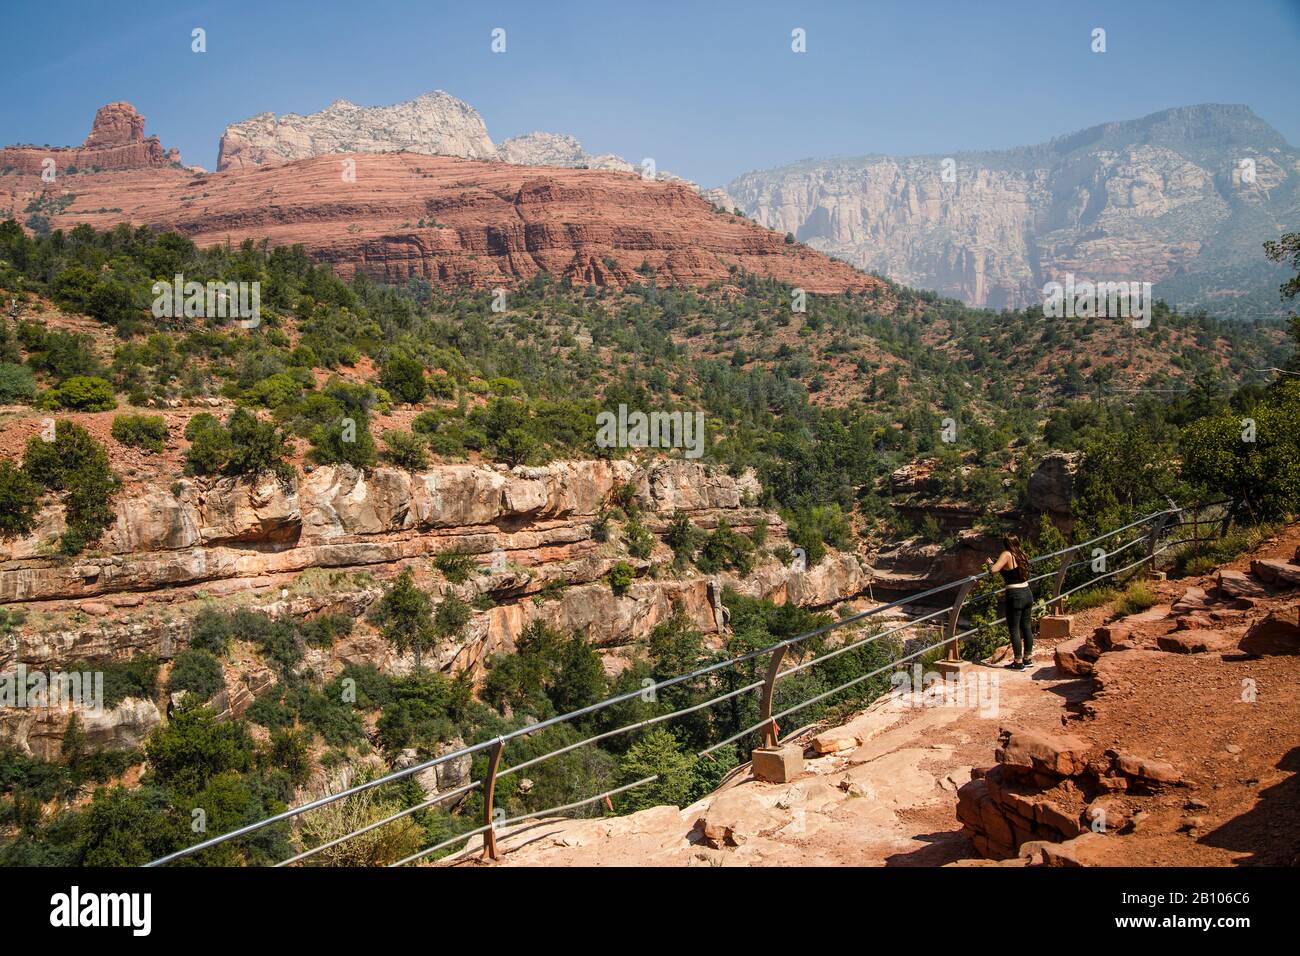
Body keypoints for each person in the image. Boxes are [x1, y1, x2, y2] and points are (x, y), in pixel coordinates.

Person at [985, 534, 1034, 670]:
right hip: (1027, 592)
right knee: (1026, 626)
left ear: (1006, 544)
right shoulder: (1021, 554)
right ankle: (1028, 658)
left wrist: (990, 564)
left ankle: (1018, 662)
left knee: (1014, 628)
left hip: (1015, 594)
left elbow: (994, 570)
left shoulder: (1007, 554)